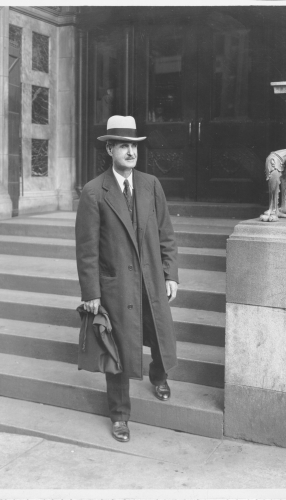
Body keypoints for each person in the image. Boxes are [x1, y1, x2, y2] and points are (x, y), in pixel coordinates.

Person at [75, 115, 179, 443]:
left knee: (160, 330)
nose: (131, 152)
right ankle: (119, 415)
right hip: (116, 283)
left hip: (151, 278)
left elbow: (166, 233)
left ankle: (159, 375)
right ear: (109, 149)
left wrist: (170, 272)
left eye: (134, 146)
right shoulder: (94, 192)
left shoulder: (151, 185)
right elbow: (87, 249)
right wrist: (91, 291)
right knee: (116, 349)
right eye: (123, 145)